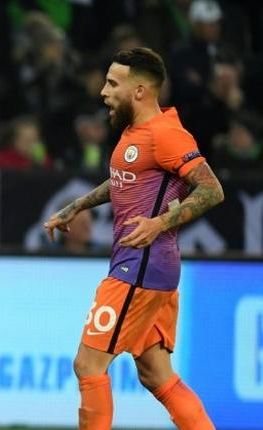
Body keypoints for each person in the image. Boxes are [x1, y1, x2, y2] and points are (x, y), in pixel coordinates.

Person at [44, 47, 223, 429]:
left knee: (88, 364)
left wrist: (159, 223)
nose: (103, 92)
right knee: (156, 376)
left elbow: (211, 190)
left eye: (113, 84)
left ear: (139, 91)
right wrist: (77, 206)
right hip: (151, 268)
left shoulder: (166, 134)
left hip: (140, 266)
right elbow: (127, 179)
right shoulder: (135, 132)